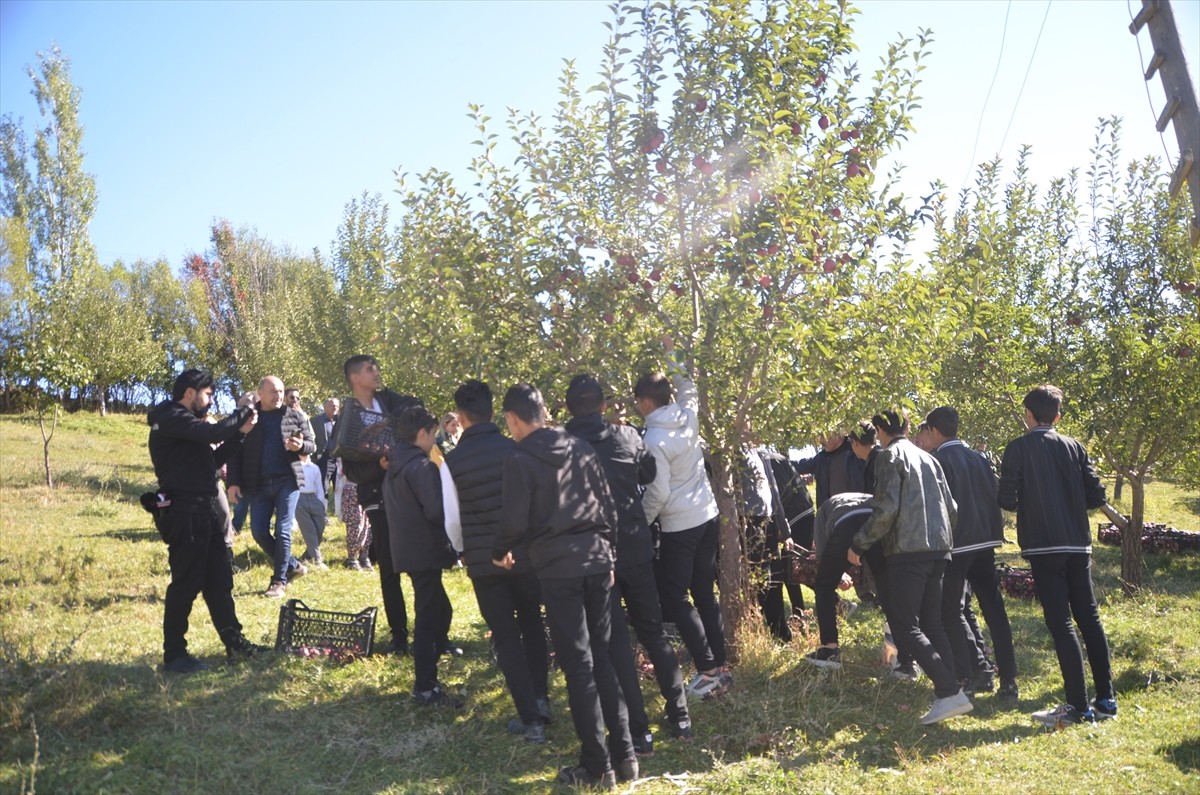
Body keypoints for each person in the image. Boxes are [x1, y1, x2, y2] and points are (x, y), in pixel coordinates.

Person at [492, 384, 636, 788]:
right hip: (596, 558)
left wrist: (499, 550)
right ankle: (625, 757)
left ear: (513, 419)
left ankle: (597, 767)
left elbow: (515, 521)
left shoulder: (519, 458)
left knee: (579, 666)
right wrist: (608, 552)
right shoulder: (580, 447)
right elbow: (607, 505)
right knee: (602, 657)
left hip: (559, 568)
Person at [565, 373, 693, 755]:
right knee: (653, 631)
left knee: (616, 643)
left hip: (594, 553)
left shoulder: (564, 445)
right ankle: (680, 715)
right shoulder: (627, 437)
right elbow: (649, 473)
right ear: (603, 406)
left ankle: (640, 733)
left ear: (568, 408)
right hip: (634, 547)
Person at [998, 385, 1115, 726]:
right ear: (1058, 416)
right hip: (1078, 543)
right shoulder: (1075, 448)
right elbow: (1095, 495)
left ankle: (1077, 706)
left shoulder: (1018, 448)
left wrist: (1031, 504)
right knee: (1088, 617)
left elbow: (1007, 498)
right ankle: (1105, 699)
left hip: (1043, 544)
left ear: (1027, 415)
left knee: (1060, 621)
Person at [442, 379, 550, 742]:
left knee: (505, 636)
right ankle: (541, 697)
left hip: (483, 558)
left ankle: (531, 718)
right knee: (533, 623)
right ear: (494, 412)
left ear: (461, 416)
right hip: (523, 553)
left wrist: (462, 550)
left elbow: (452, 519)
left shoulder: (451, 461)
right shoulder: (515, 449)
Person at [849, 409, 972, 725]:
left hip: (908, 550)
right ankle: (954, 687)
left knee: (905, 624)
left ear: (879, 430)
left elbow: (886, 509)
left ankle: (948, 691)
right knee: (932, 622)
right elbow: (953, 509)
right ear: (906, 427)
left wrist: (858, 543)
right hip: (939, 549)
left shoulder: (889, 458)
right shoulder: (929, 458)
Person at [147, 369, 266, 673]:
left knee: (219, 580)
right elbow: (214, 434)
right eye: (209, 394)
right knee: (186, 583)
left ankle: (234, 642)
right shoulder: (172, 417)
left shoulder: (187, 426)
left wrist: (240, 435)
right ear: (190, 392)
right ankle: (174, 655)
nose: (211, 401)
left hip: (206, 510)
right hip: (185, 513)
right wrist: (243, 411)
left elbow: (211, 461)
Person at [637, 338, 731, 700]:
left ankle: (708, 670)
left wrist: (641, 523)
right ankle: (720, 666)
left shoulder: (653, 439)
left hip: (680, 524)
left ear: (645, 403)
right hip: (707, 515)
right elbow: (689, 386)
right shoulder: (688, 417)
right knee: (704, 593)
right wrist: (672, 353)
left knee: (675, 598)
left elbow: (657, 494)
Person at [926, 406, 1019, 703]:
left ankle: (967, 677)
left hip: (957, 544)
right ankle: (1008, 681)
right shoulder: (979, 458)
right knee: (994, 612)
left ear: (934, 431)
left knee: (950, 611)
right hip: (986, 541)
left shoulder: (936, 461)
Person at [336, 354, 423, 655]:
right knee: (389, 568)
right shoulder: (349, 416)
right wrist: (381, 466)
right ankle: (400, 635)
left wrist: (386, 423)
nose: (377, 373)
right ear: (355, 378)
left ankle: (433, 631)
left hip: (407, 492)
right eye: (369, 370)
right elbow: (354, 471)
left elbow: (416, 405)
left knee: (421, 565)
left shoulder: (389, 399)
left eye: (377, 368)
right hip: (377, 499)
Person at [383, 405, 461, 707]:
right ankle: (425, 687)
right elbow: (436, 510)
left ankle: (438, 652)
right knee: (427, 617)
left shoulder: (395, 466)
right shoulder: (421, 466)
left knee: (440, 608)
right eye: (433, 434)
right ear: (422, 434)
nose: (436, 440)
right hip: (424, 549)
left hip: (407, 548)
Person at [226, 376, 316, 598]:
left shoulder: (294, 415)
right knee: (258, 532)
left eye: (280, 391)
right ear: (260, 393)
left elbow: (312, 445)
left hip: (288, 481)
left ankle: (279, 582)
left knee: (283, 530)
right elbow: (234, 451)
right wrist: (233, 483)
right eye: (273, 392)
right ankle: (293, 566)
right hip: (257, 484)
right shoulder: (248, 417)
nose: (278, 396)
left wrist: (300, 445)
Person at [793, 430, 866, 508]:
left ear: (837, 433)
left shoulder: (857, 452)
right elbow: (798, 466)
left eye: (823, 435)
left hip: (858, 512)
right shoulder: (821, 459)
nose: (820, 441)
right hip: (831, 517)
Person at [293, 452, 328, 569]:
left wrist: (322, 504)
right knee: (309, 530)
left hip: (313, 498)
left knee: (319, 527)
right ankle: (317, 560)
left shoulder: (314, 467)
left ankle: (307, 556)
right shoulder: (293, 465)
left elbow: (319, 486)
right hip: (299, 498)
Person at [336, 459, 372, 570]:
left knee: (368, 522)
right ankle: (352, 557)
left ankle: (364, 555)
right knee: (355, 523)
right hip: (351, 486)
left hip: (369, 486)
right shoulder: (349, 449)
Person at [311, 397, 341, 498]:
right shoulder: (315, 421)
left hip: (340, 460)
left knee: (341, 489)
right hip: (324, 458)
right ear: (324, 407)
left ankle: (341, 512)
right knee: (323, 487)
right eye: (332, 405)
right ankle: (322, 512)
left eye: (337, 406)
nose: (335, 408)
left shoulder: (342, 422)